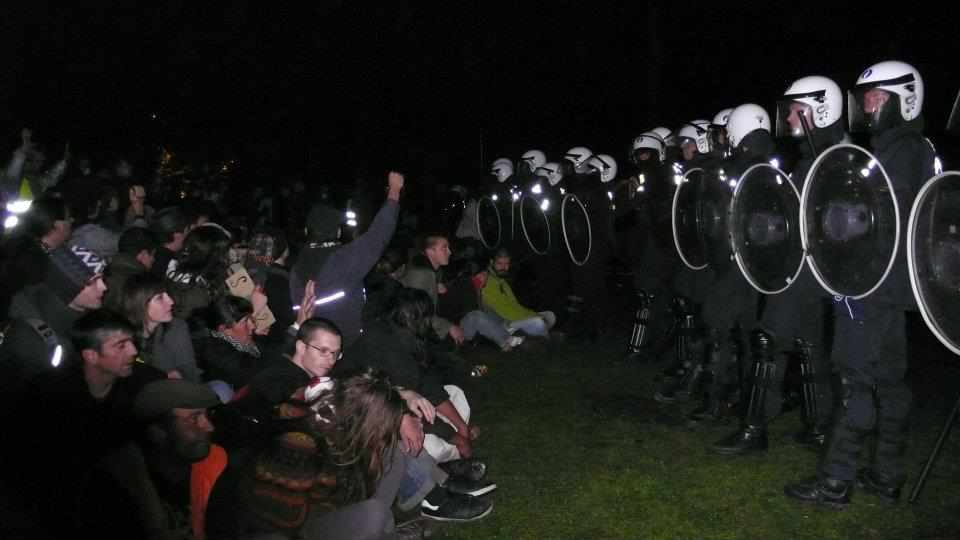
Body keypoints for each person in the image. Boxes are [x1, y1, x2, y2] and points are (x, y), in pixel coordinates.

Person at [785, 60, 936, 507]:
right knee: (889, 379)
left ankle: (835, 480)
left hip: (871, 286)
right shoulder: (901, 148)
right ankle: (886, 473)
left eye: (877, 97)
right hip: (890, 288)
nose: (868, 105)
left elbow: (876, 221)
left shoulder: (904, 151)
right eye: (866, 97)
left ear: (904, 99)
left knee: (853, 378)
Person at [710, 75, 847, 456]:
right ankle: (820, 428)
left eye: (795, 111)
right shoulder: (813, 157)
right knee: (807, 346)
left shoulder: (835, 158)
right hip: (802, 272)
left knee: (769, 342)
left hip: (806, 273)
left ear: (820, 109)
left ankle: (755, 429)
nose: (787, 119)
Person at [289, 171, 404, 347]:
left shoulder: (296, 265)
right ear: (337, 232)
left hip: (309, 343)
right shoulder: (341, 260)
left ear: (306, 232)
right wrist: (394, 191)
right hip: (341, 346)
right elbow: (378, 235)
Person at [481, 248, 557, 338]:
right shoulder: (486, 280)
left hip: (514, 318)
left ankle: (529, 332)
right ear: (491, 262)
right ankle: (532, 333)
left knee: (550, 315)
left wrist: (534, 314)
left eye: (507, 264)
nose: (504, 268)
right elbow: (505, 311)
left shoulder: (501, 281)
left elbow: (515, 305)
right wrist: (534, 317)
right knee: (538, 322)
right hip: (504, 323)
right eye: (500, 263)